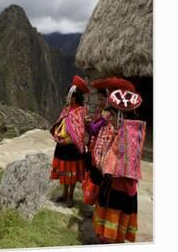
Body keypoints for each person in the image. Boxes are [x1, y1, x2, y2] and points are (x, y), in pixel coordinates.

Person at [92, 87, 146, 243]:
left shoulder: (124, 135)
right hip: (124, 187)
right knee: (116, 229)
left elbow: (113, 161)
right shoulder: (133, 132)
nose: (111, 119)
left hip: (117, 187)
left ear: (121, 116)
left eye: (114, 115)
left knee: (112, 228)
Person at [50, 75, 89, 208]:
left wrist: (74, 138)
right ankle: (64, 193)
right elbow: (60, 122)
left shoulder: (81, 111)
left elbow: (80, 130)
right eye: (68, 95)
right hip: (63, 146)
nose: (69, 98)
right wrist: (58, 134)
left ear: (76, 96)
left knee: (71, 172)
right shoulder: (67, 109)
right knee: (64, 171)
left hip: (73, 147)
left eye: (71, 95)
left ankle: (70, 196)